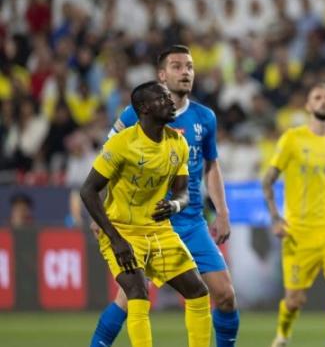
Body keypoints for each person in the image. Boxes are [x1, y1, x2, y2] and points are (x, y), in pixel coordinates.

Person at [90, 46, 239, 347]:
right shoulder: (136, 111)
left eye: (190, 67)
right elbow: (109, 159)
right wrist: (102, 214)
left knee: (224, 294)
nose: (185, 72)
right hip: (142, 222)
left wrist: (222, 212)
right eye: (177, 66)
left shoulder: (205, 117)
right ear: (162, 75)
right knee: (131, 296)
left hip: (189, 219)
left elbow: (211, 166)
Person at [80, 81, 210, 347]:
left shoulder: (178, 143)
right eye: (162, 98)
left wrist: (175, 205)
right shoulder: (121, 144)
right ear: (144, 108)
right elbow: (88, 190)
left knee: (198, 292)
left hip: (159, 230)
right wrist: (115, 239)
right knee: (138, 293)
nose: (170, 102)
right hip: (122, 230)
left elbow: (183, 193)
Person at [263, 84, 325, 347]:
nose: (323, 102)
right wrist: (275, 218)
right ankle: (283, 334)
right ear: (308, 106)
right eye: (317, 97)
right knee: (294, 300)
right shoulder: (292, 139)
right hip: (298, 231)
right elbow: (268, 180)